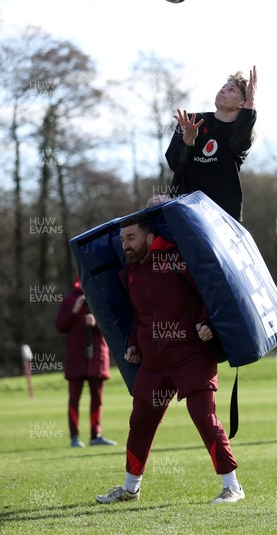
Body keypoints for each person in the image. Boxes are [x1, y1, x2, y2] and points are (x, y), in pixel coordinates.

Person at [96, 215, 244, 505]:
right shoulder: (129, 274)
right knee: (139, 423)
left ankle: (232, 487)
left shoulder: (177, 259)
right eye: (122, 239)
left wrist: (205, 324)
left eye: (131, 238)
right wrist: (133, 344)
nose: (124, 245)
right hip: (153, 360)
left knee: (203, 416)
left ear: (149, 239)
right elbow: (139, 315)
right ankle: (130, 489)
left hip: (190, 353)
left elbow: (208, 295)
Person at [165, 66, 257, 222]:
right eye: (223, 87)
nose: (222, 90)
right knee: (153, 204)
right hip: (185, 208)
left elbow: (237, 145)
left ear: (242, 103)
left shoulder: (242, 133)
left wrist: (251, 105)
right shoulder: (191, 121)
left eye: (231, 90)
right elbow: (176, 165)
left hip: (220, 216)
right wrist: (188, 140)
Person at [55, 278, 117, 448]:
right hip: (76, 359)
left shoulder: (102, 298)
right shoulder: (69, 300)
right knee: (74, 399)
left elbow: (113, 325)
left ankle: (95, 435)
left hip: (97, 358)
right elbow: (60, 326)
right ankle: (74, 437)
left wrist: (97, 324)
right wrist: (74, 310)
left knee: (97, 399)